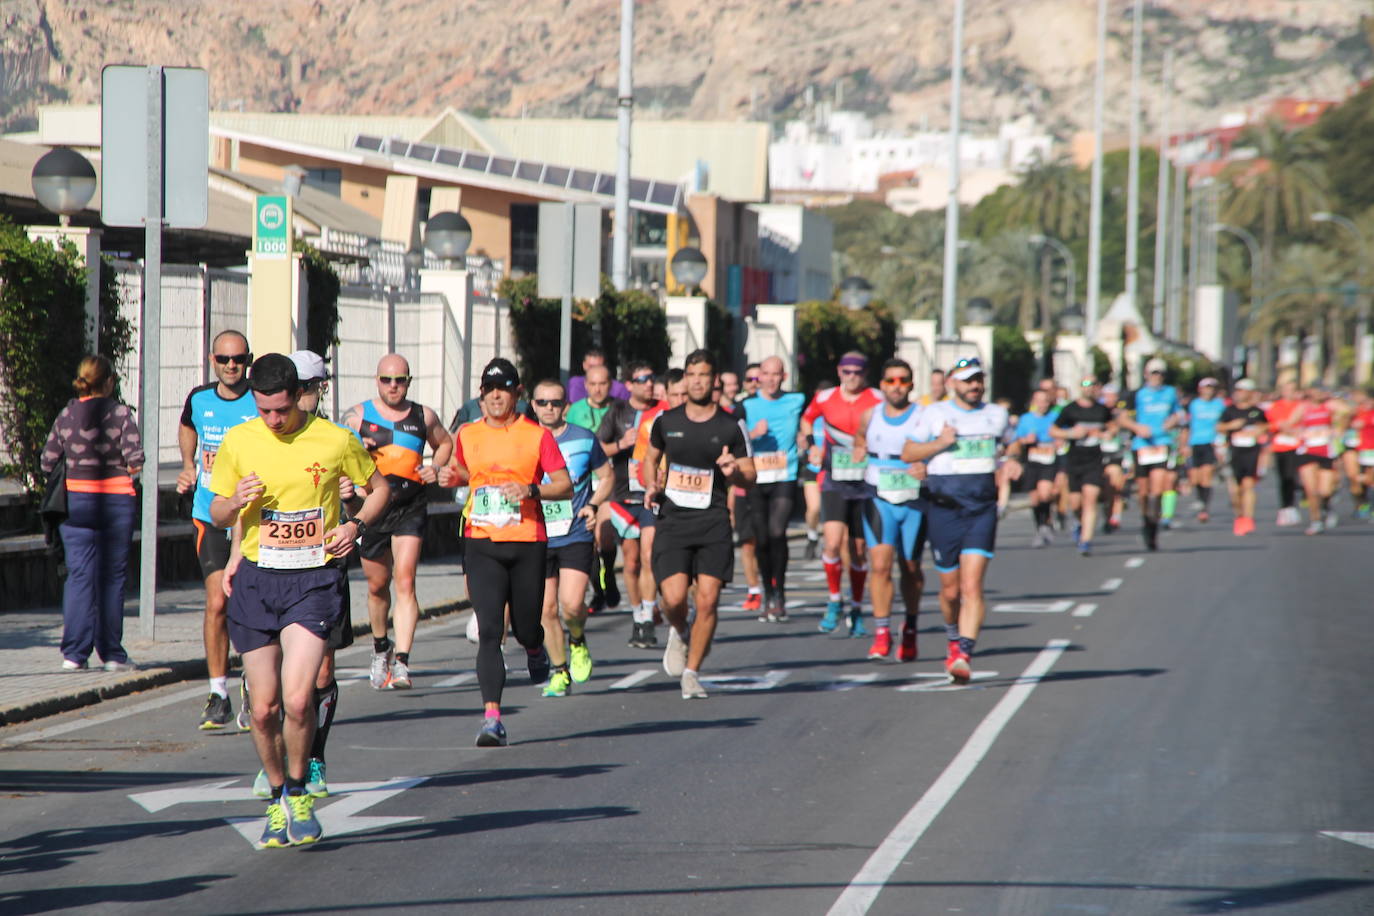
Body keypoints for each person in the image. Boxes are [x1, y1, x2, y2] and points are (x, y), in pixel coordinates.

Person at [211, 353, 390, 848]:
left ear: (298, 397)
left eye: (282, 411)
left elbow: (380, 490)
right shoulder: (240, 440)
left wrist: (354, 526)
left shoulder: (334, 439)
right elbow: (219, 510)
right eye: (264, 410)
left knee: (296, 697)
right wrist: (235, 502)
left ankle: (299, 791)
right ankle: (275, 800)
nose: (273, 420)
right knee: (264, 709)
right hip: (257, 582)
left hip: (312, 579)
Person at [438, 358, 572, 745]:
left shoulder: (536, 436)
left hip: (528, 540)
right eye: (489, 389)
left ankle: (534, 647)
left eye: (504, 389)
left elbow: (563, 485)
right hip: (481, 541)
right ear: (482, 395)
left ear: (517, 394)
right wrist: (452, 476)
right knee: (490, 631)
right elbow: (464, 472)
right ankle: (492, 718)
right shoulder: (467, 433)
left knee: (528, 625)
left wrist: (531, 490)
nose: (496, 396)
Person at [643, 350, 755, 699]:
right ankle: (679, 629)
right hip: (674, 520)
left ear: (714, 380)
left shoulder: (730, 425)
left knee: (707, 601)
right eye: (692, 374)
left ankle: (691, 673)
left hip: (713, 521)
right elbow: (650, 458)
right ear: (684, 378)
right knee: (674, 599)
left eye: (704, 375)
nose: (697, 380)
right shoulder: (667, 421)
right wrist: (651, 484)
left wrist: (734, 471)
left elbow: (750, 474)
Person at [903, 357, 1019, 685]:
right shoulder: (935, 413)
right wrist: (940, 444)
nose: (975, 386)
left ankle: (964, 653)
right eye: (968, 380)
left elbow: (1013, 443)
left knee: (972, 586)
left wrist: (1011, 461)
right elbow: (908, 452)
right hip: (944, 508)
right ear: (954, 383)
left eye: (979, 379)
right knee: (950, 591)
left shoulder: (996, 415)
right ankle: (953, 637)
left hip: (981, 509)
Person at [342, 354, 453, 690]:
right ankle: (380, 648)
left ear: (409, 380)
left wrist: (435, 467)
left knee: (405, 581)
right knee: (378, 585)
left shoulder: (423, 416)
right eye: (387, 380)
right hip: (373, 507)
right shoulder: (357, 417)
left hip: (410, 504)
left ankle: (402, 662)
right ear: (377, 381)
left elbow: (445, 442)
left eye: (400, 380)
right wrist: (352, 477)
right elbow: (338, 453)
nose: (393, 386)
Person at [176, 330, 260, 729]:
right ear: (213, 360)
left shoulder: (260, 401)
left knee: (248, 603)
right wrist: (188, 463)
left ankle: (254, 682)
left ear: (249, 360)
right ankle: (217, 692)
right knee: (216, 603)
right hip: (210, 512)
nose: (231, 366)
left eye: (239, 359)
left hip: (252, 517)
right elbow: (187, 425)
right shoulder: (199, 398)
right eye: (224, 359)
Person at [41, 355, 144, 673]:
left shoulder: (67, 414)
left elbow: (47, 461)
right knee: (112, 578)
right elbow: (136, 459)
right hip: (115, 503)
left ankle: (73, 654)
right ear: (109, 381)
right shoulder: (120, 413)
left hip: (76, 503)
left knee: (79, 575)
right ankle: (112, 654)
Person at [532, 379, 614, 697]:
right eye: (542, 402)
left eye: (555, 402)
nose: (549, 408)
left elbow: (606, 477)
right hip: (536, 533)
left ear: (566, 406)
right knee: (547, 609)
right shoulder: (525, 439)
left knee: (572, 603)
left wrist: (593, 505)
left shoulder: (583, 438)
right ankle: (559, 671)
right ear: (533, 404)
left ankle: (577, 639)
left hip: (575, 531)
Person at [802, 353, 882, 635]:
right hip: (834, 479)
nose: (851, 377)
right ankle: (835, 600)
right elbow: (807, 419)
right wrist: (811, 445)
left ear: (865, 373)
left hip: (865, 483)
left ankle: (857, 608)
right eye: (846, 371)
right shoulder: (825, 398)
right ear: (839, 371)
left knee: (859, 551)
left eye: (857, 372)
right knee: (833, 543)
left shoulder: (877, 398)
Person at [852, 358, 926, 661]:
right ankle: (881, 631)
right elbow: (859, 437)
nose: (897, 386)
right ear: (882, 385)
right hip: (878, 497)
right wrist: (859, 449)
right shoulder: (870, 415)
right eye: (891, 380)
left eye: (903, 380)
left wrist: (925, 465)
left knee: (910, 567)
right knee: (880, 565)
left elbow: (938, 448)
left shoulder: (923, 416)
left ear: (911, 384)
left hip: (914, 500)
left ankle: (909, 626)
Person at [594, 361, 662, 646]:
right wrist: (621, 444)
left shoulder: (663, 411)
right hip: (622, 495)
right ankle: (637, 616)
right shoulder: (618, 412)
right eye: (642, 379)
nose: (648, 383)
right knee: (631, 562)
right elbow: (597, 450)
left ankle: (648, 617)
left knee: (648, 556)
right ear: (630, 384)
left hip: (652, 496)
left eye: (651, 378)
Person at [740, 355, 808, 621]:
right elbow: (730, 434)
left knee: (778, 532)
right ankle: (767, 591)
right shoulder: (747, 405)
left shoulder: (797, 400)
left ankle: (779, 593)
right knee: (763, 538)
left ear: (784, 377)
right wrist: (752, 435)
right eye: (764, 374)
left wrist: (808, 438)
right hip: (756, 477)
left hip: (785, 474)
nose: (769, 379)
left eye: (775, 374)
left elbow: (812, 418)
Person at [1122, 358, 1183, 551]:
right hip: (1141, 446)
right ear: (1146, 375)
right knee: (1143, 492)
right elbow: (1122, 418)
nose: (1156, 377)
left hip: (1162, 444)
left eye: (1160, 374)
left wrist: (1171, 423)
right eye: (1153, 373)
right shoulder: (1137, 394)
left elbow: (1178, 414)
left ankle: (1153, 526)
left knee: (1157, 490)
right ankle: (1145, 517)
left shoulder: (1170, 393)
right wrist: (1136, 427)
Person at [1052, 377, 1117, 556]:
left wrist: (1107, 434)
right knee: (1076, 503)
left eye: (1093, 385)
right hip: (1074, 459)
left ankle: (1086, 540)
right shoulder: (1070, 409)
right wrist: (1071, 433)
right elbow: (1053, 430)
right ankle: (1079, 524)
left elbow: (1112, 427)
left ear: (1097, 388)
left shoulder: (1101, 410)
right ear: (1080, 387)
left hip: (1094, 459)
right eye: (1086, 385)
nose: (1089, 388)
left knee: (1091, 498)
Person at [1293, 387, 1347, 535]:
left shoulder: (1329, 405)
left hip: (1326, 451)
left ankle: (1326, 506)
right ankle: (1315, 521)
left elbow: (1347, 411)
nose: (1317, 394)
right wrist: (1299, 432)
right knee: (1311, 490)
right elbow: (1288, 424)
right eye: (1314, 391)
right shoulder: (1303, 407)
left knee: (1325, 490)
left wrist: (1337, 427)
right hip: (1307, 451)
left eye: (1320, 391)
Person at [1218, 378, 1268, 536]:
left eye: (1242, 390)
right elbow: (1219, 427)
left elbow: (1265, 426)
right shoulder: (1229, 410)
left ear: (1249, 393)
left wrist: (1258, 431)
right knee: (1235, 490)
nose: (1238, 393)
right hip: (1234, 452)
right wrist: (1231, 426)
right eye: (1237, 390)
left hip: (1251, 451)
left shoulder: (1257, 411)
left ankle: (1248, 518)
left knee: (1248, 486)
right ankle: (1239, 515)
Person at [1012, 389, 1060, 548]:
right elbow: (1017, 440)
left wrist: (1058, 441)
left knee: (1045, 494)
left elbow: (1063, 435)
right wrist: (1026, 440)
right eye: (1039, 401)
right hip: (1032, 459)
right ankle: (1041, 527)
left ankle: (1047, 522)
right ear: (1033, 402)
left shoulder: (1055, 417)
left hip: (1049, 459)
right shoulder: (1026, 419)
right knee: (1035, 498)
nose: (1042, 404)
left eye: (1045, 401)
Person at [1184, 378, 1227, 523]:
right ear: (1200, 389)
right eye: (1206, 387)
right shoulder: (1194, 404)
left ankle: (1204, 508)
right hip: (1195, 442)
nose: (1208, 390)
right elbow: (1187, 425)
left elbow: (1223, 424)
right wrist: (1184, 445)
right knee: (1195, 477)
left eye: (1211, 388)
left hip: (1211, 443)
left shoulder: (1219, 404)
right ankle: (1199, 498)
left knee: (1206, 475)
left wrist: (1221, 445)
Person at [1265, 380, 1304, 527]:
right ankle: (1285, 507)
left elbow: (1303, 424)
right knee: (1285, 477)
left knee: (1296, 477)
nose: (1289, 393)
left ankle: (1294, 504)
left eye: (1292, 390)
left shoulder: (1301, 406)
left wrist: (1289, 427)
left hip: (1298, 446)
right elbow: (1271, 424)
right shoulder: (1275, 406)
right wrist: (1280, 426)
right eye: (1286, 390)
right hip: (1281, 446)